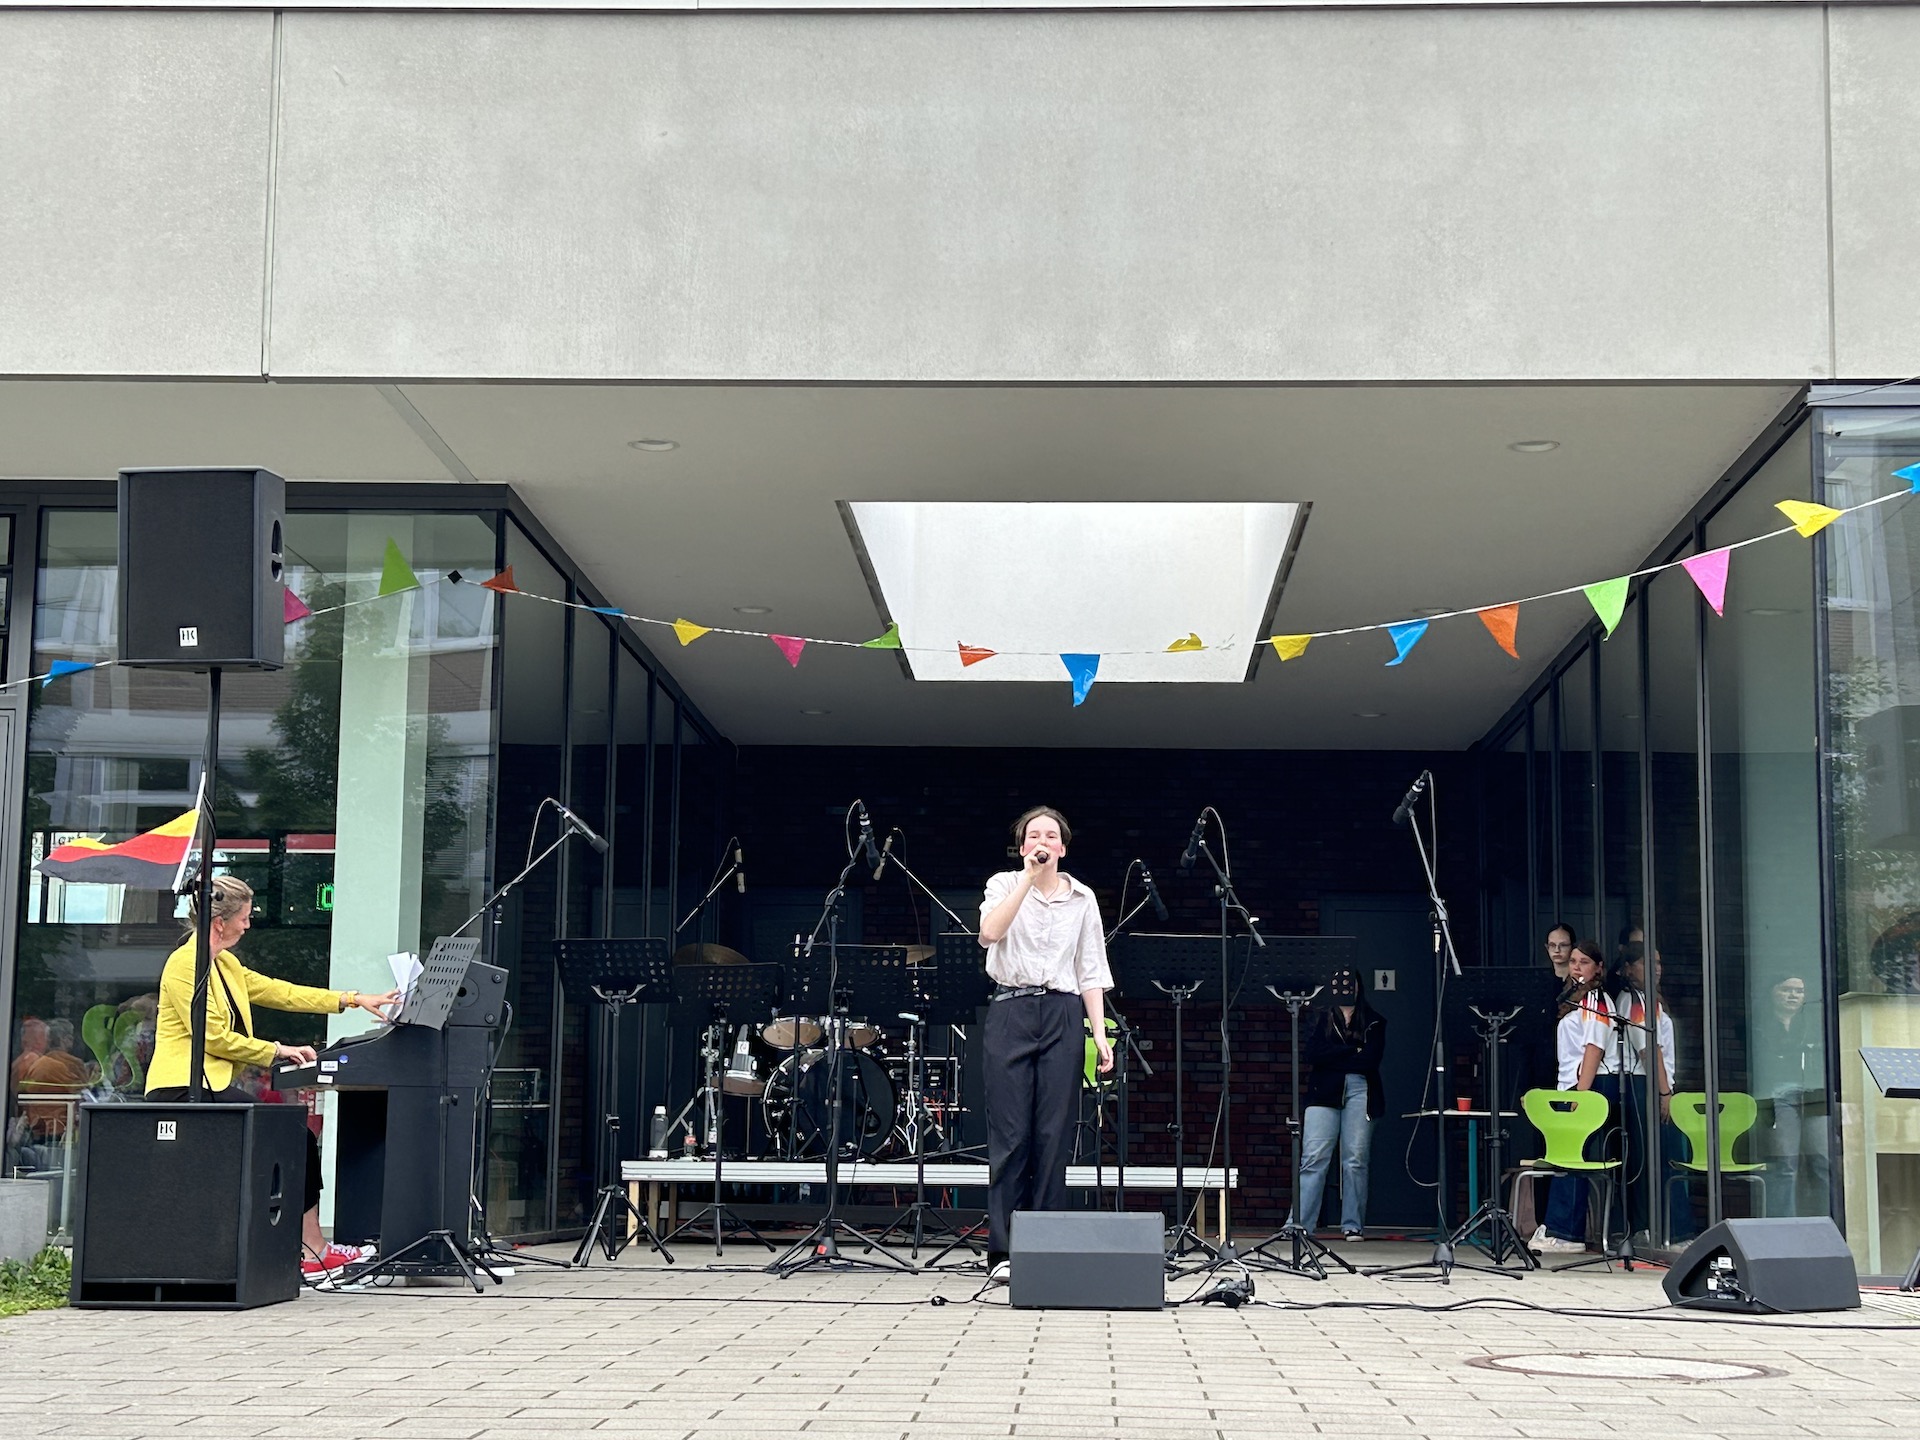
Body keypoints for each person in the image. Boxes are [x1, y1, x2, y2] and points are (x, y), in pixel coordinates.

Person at [146, 874, 398, 1277]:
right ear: (219, 923)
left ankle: (307, 1248)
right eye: (244, 917)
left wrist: (353, 999)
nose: (248, 925)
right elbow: (213, 1037)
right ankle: (311, 1250)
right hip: (182, 1088)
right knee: (292, 1137)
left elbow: (281, 992)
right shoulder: (184, 966)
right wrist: (277, 1051)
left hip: (210, 1085)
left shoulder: (224, 963)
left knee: (296, 1138)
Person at [977, 806, 1113, 1284]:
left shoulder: (1083, 898)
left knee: (1054, 1135)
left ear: (1063, 848)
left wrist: (1099, 1033)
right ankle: (1003, 1252)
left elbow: (1090, 968)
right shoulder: (1002, 885)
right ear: (1022, 847)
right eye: (1033, 835)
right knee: (1011, 1135)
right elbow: (989, 933)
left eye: (1050, 835)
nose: (1042, 841)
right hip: (1011, 1009)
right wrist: (1027, 881)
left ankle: (1045, 1248)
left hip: (1062, 1012)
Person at [1289, 967, 1386, 1243]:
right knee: (1313, 1158)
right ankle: (1299, 1224)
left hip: (1361, 1090)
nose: (1346, 990)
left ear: (1358, 987)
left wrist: (1334, 1056)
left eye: (1350, 984)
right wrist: (1351, 1049)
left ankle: (1352, 1225)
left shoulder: (1374, 1021)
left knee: (1355, 1160)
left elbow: (1369, 1060)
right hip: (1323, 1092)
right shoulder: (1320, 1017)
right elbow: (1312, 1054)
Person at [1532, 938, 1611, 1253]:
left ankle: (1565, 1233)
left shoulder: (1594, 998)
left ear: (1598, 968)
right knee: (1569, 1159)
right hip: (1571, 1086)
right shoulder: (1574, 997)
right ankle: (1564, 1230)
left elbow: (1594, 1047)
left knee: (1572, 1160)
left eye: (1584, 962)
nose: (1577, 967)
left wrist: (1582, 1094)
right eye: (1574, 961)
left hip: (1583, 1088)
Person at [1610, 941, 1691, 1242]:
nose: (1656, 968)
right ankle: (1665, 1230)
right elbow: (1648, 1049)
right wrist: (1664, 1092)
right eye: (1647, 962)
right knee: (1659, 1160)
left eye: (1658, 962)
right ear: (1628, 968)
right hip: (1647, 1085)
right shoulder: (1633, 1000)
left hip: (1655, 1083)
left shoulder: (1648, 998)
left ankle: (1666, 1228)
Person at [1757, 974, 1827, 1215]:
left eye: (1799, 991)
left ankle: (1826, 1223)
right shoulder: (1760, 1025)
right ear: (1773, 992)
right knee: (1785, 1164)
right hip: (1779, 1096)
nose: (1793, 995)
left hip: (1815, 1095)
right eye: (1786, 989)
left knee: (1823, 1161)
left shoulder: (1814, 1024)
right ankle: (1784, 1224)